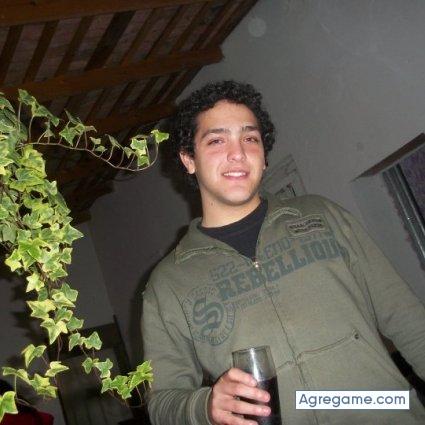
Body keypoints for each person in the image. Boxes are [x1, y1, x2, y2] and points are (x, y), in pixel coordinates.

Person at [141, 80, 425, 425]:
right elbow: (163, 402)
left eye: (250, 139)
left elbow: (409, 321)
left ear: (264, 156)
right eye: (216, 140)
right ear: (189, 159)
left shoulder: (323, 217)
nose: (238, 153)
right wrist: (204, 407)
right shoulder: (169, 282)